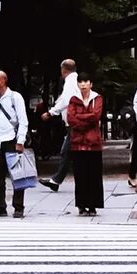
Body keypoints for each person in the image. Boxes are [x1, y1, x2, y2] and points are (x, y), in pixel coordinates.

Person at [0, 69, 32, 218]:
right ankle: (0, 206)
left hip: (12, 140)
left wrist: (20, 141)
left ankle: (18, 207)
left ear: (2, 81)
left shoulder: (15, 98)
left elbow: (23, 121)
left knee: (17, 176)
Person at [63, 75, 108, 216]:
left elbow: (96, 116)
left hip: (93, 142)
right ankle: (81, 205)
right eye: (80, 82)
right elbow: (70, 118)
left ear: (91, 84)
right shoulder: (73, 99)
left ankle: (93, 205)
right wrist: (87, 120)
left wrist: (80, 117)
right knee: (80, 175)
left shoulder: (97, 98)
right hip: (77, 142)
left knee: (94, 175)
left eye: (86, 82)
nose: (83, 84)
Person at [44, 58, 80, 189]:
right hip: (73, 122)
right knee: (68, 152)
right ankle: (56, 181)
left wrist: (51, 112)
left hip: (73, 122)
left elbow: (66, 101)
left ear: (63, 70)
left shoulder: (70, 81)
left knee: (67, 152)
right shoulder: (75, 80)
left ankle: (57, 180)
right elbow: (63, 99)